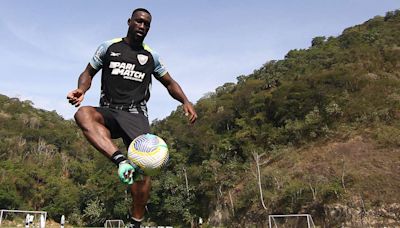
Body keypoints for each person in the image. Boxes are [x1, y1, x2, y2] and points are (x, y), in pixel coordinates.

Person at [67, 8, 197, 227]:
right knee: (82, 113)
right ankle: (120, 161)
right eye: (139, 22)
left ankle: (135, 221)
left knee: (144, 173)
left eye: (147, 24)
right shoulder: (109, 47)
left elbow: (170, 82)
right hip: (108, 109)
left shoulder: (150, 56)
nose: (142, 27)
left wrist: (185, 100)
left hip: (136, 114)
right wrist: (81, 89)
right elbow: (88, 72)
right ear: (129, 22)